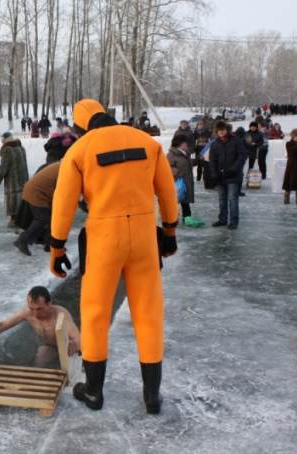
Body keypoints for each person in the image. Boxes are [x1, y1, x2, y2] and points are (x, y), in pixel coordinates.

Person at [49, 99, 178, 414]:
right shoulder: (147, 143)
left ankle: (94, 391)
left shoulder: (79, 151)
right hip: (145, 236)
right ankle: (152, 396)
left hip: (104, 239)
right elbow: (167, 191)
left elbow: (63, 202)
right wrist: (170, 232)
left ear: (81, 126)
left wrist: (57, 247)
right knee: (148, 314)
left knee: (94, 314)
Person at [0, 286, 81, 368]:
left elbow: (77, 337)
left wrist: (74, 343)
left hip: (68, 348)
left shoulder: (61, 314)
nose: (35, 314)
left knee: (74, 368)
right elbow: (1, 326)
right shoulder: (27, 313)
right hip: (50, 346)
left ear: (49, 303)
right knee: (38, 365)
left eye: (40, 309)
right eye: (32, 309)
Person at [15, 162, 60, 256]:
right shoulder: (67, 169)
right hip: (36, 192)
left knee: (52, 217)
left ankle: (49, 243)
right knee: (43, 218)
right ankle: (22, 240)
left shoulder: (64, 164)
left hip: (39, 191)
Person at [210, 121, 248, 230]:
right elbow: (212, 160)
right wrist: (214, 174)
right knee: (222, 199)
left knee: (232, 199)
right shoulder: (215, 144)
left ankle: (233, 221)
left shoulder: (236, 141)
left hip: (233, 176)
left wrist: (233, 169)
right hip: (220, 176)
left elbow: (242, 155)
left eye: (223, 130)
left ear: (227, 130)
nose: (221, 132)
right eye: (219, 130)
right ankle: (222, 219)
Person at [0, 132, 29, 228]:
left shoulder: (7, 150)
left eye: (2, 140)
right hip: (23, 181)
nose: (2, 142)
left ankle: (14, 221)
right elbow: (25, 165)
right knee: (21, 199)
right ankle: (21, 219)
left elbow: (3, 168)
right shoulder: (21, 148)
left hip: (12, 182)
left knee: (13, 201)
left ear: (5, 140)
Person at [167, 135, 198, 224]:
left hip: (186, 181)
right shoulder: (171, 154)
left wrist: (197, 161)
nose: (187, 144)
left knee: (185, 202)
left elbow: (186, 163)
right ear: (180, 144)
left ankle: (187, 219)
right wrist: (178, 172)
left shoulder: (185, 153)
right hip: (178, 182)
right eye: (185, 143)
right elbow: (167, 167)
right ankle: (172, 220)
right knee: (176, 201)